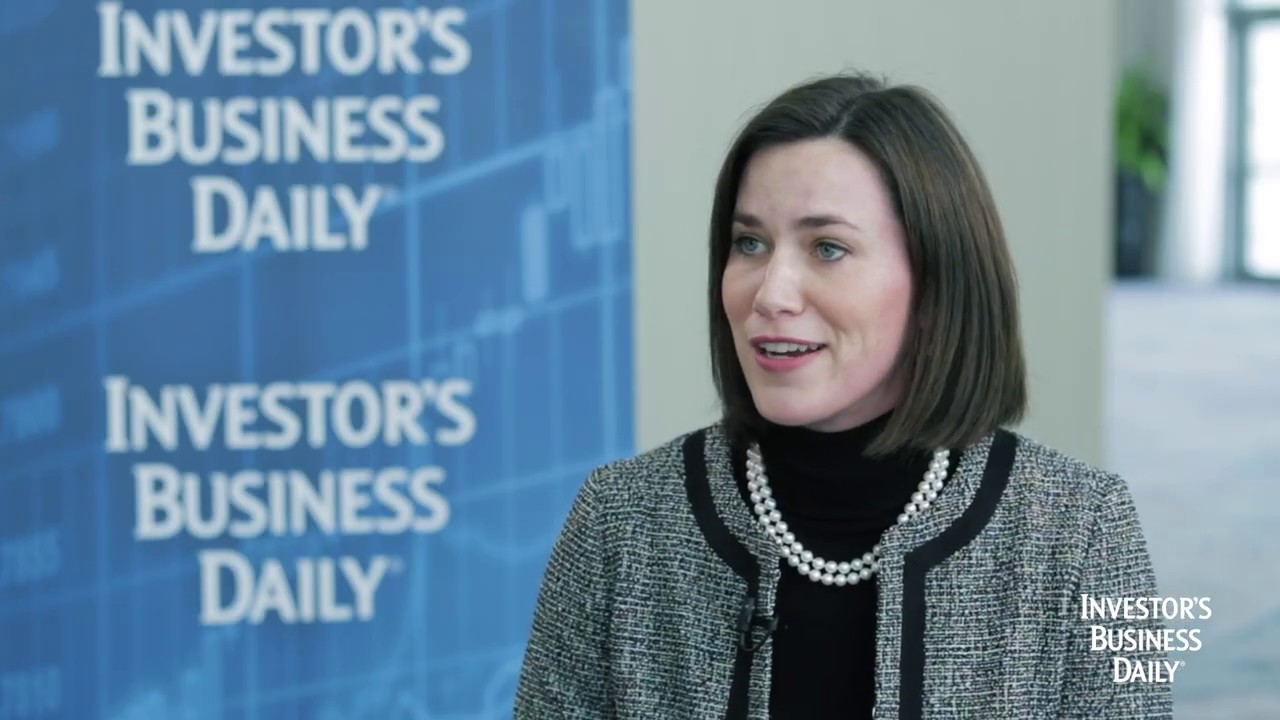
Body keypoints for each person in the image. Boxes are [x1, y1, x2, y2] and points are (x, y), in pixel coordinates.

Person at [514, 72, 1172, 719]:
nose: (770, 293)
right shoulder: (619, 521)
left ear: (936, 280)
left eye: (827, 248)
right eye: (750, 243)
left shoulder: (1089, 529)